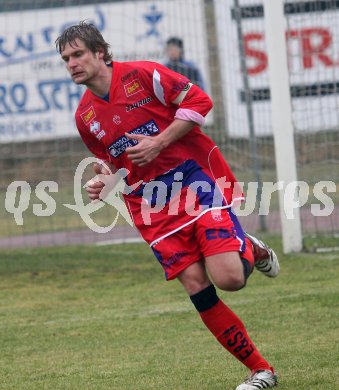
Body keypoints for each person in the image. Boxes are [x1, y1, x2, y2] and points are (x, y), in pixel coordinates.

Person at [55, 22, 279, 390]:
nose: (72, 64)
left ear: (99, 52)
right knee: (195, 283)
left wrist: (159, 142)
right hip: (150, 206)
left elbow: (200, 102)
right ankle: (261, 371)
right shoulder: (85, 117)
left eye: (78, 54)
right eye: (66, 59)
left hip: (192, 183)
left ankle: (249, 249)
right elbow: (115, 165)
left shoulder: (143, 75)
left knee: (230, 279)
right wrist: (103, 180)